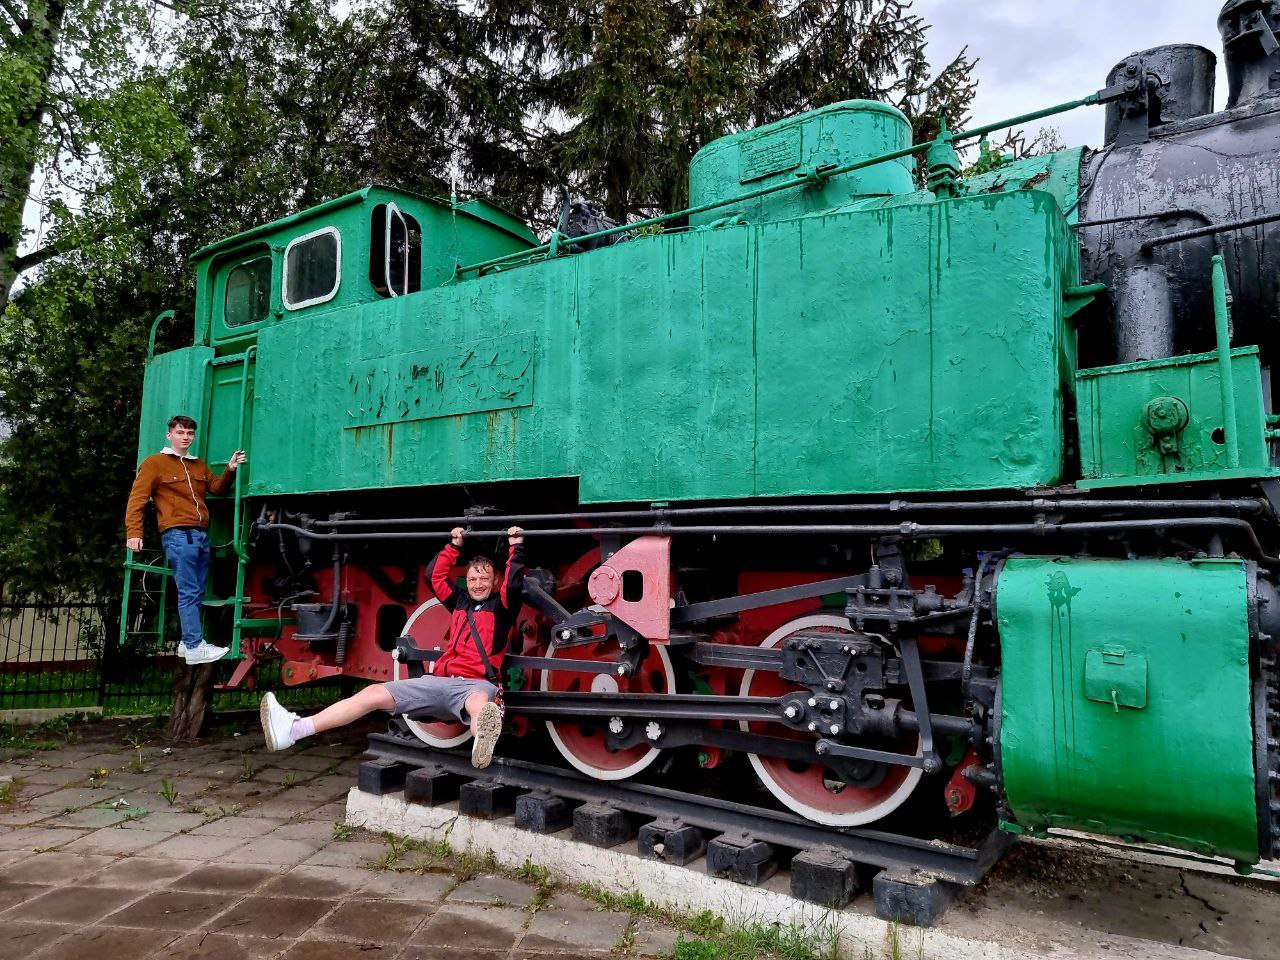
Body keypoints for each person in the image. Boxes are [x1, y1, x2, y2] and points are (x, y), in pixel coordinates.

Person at [259, 525, 526, 769]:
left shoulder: (501, 609)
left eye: (484, 579)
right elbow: (434, 575)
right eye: (472, 580)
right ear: (466, 583)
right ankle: (294, 730)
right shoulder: (459, 604)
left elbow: (513, 585)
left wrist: (516, 547)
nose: (478, 584)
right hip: (440, 683)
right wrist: (453, 547)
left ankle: (482, 739)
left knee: (480, 703)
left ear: (494, 582)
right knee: (374, 693)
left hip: (477, 684)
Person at [124, 414, 246, 665]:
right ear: (170, 435)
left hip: (200, 536)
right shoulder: (154, 464)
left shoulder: (197, 465)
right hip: (178, 536)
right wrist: (134, 533)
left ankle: (186, 642)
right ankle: (193, 645)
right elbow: (137, 499)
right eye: (180, 432)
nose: (185, 437)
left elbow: (219, 488)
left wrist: (230, 469)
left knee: (196, 591)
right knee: (189, 591)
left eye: (190, 433)